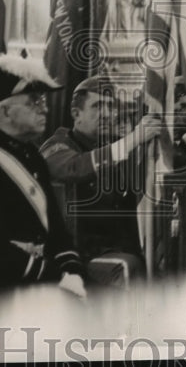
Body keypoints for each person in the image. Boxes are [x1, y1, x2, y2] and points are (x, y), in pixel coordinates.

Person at [0, 55, 86, 297]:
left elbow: (55, 228)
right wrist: (56, 276)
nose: (44, 108)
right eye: (34, 102)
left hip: (45, 276)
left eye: (43, 101)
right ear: (4, 111)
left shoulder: (32, 156)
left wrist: (72, 268)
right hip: (8, 284)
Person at [39, 75, 161, 286]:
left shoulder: (115, 147)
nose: (107, 114)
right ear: (76, 114)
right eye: (97, 106)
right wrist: (132, 140)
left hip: (118, 248)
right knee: (129, 267)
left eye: (111, 106)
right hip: (77, 254)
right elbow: (74, 168)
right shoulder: (57, 146)